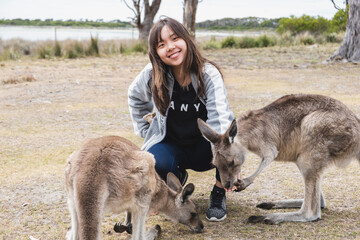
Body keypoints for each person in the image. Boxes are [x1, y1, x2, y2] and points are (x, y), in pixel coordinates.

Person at [128, 17, 234, 222]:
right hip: (172, 143)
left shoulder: (208, 74)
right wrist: (144, 130)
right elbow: (134, 95)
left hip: (204, 147)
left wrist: (229, 161)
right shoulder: (152, 74)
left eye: (175, 38)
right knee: (151, 160)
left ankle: (219, 192)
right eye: (161, 44)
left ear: (186, 39)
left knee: (228, 144)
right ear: (155, 52)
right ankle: (174, 180)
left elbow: (220, 122)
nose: (170, 47)